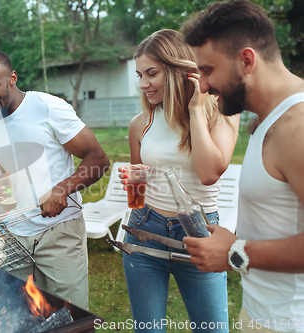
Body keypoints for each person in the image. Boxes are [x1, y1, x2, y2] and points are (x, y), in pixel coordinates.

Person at [180, 1, 304, 332]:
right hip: (263, 314)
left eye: (207, 70)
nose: (202, 86)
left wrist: (236, 252)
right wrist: (233, 240)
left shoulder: (297, 127)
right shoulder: (268, 119)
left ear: (246, 60)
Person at [118, 29, 239, 332]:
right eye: (139, 75)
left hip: (200, 232)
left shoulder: (221, 113)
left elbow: (210, 173)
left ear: (178, 71)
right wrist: (134, 187)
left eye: (151, 73)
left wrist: (195, 108)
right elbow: (139, 179)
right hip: (145, 229)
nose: (143, 84)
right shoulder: (140, 123)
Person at [0, 50, 109, 310]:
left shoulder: (47, 107)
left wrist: (62, 189)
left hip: (58, 232)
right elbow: (13, 174)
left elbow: (98, 158)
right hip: (14, 235)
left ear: (12, 78)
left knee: (70, 316)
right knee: (21, 318)